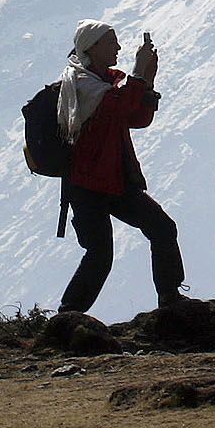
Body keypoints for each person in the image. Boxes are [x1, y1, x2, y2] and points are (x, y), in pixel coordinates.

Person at [56, 21, 188, 316]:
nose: (117, 48)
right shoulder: (82, 84)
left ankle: (170, 296)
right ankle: (69, 314)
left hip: (113, 179)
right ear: (93, 47)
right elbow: (117, 108)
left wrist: (147, 82)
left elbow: (136, 117)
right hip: (88, 184)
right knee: (101, 253)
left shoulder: (107, 83)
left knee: (162, 228)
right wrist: (140, 74)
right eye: (111, 42)